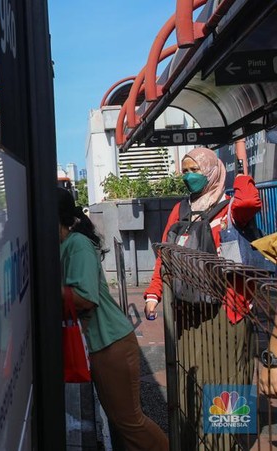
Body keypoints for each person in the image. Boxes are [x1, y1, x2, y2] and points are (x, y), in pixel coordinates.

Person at [143, 147, 261, 449]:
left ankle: (226, 443)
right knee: (193, 378)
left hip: (226, 310)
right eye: (184, 171)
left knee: (226, 380)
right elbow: (165, 254)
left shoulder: (231, 208)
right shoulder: (181, 210)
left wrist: (241, 173)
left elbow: (250, 200)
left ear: (211, 171)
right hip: (188, 311)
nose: (188, 176)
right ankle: (195, 440)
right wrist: (154, 292)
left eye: (194, 169)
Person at [58, 188, 168, 450]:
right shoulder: (65, 245)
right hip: (102, 345)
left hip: (110, 343)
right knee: (121, 423)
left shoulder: (77, 244)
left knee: (130, 422)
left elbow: (85, 297)